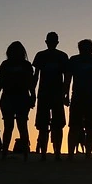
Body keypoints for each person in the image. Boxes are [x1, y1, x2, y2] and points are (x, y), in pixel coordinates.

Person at [0, 41, 35, 160]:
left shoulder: (26, 65)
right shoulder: (5, 65)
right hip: (9, 97)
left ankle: (22, 154)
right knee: (10, 126)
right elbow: (0, 83)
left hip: (21, 97)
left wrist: (33, 96)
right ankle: (5, 153)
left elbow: (30, 82)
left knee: (21, 126)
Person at [31, 32, 70, 160]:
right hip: (44, 94)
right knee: (43, 126)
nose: (52, 43)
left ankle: (57, 153)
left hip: (56, 95)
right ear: (46, 42)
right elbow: (35, 76)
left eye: (53, 41)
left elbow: (67, 77)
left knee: (58, 125)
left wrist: (65, 94)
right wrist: (32, 93)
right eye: (50, 41)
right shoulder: (41, 55)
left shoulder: (62, 56)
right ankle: (44, 154)